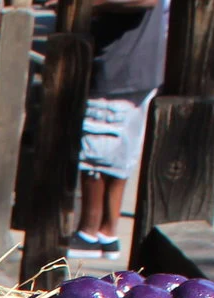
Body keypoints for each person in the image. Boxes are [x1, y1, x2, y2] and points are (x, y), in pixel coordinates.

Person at [68, 0, 172, 257]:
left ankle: (90, 231)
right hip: (131, 63)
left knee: (99, 152)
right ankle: (106, 232)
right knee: (118, 155)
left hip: (119, 64)